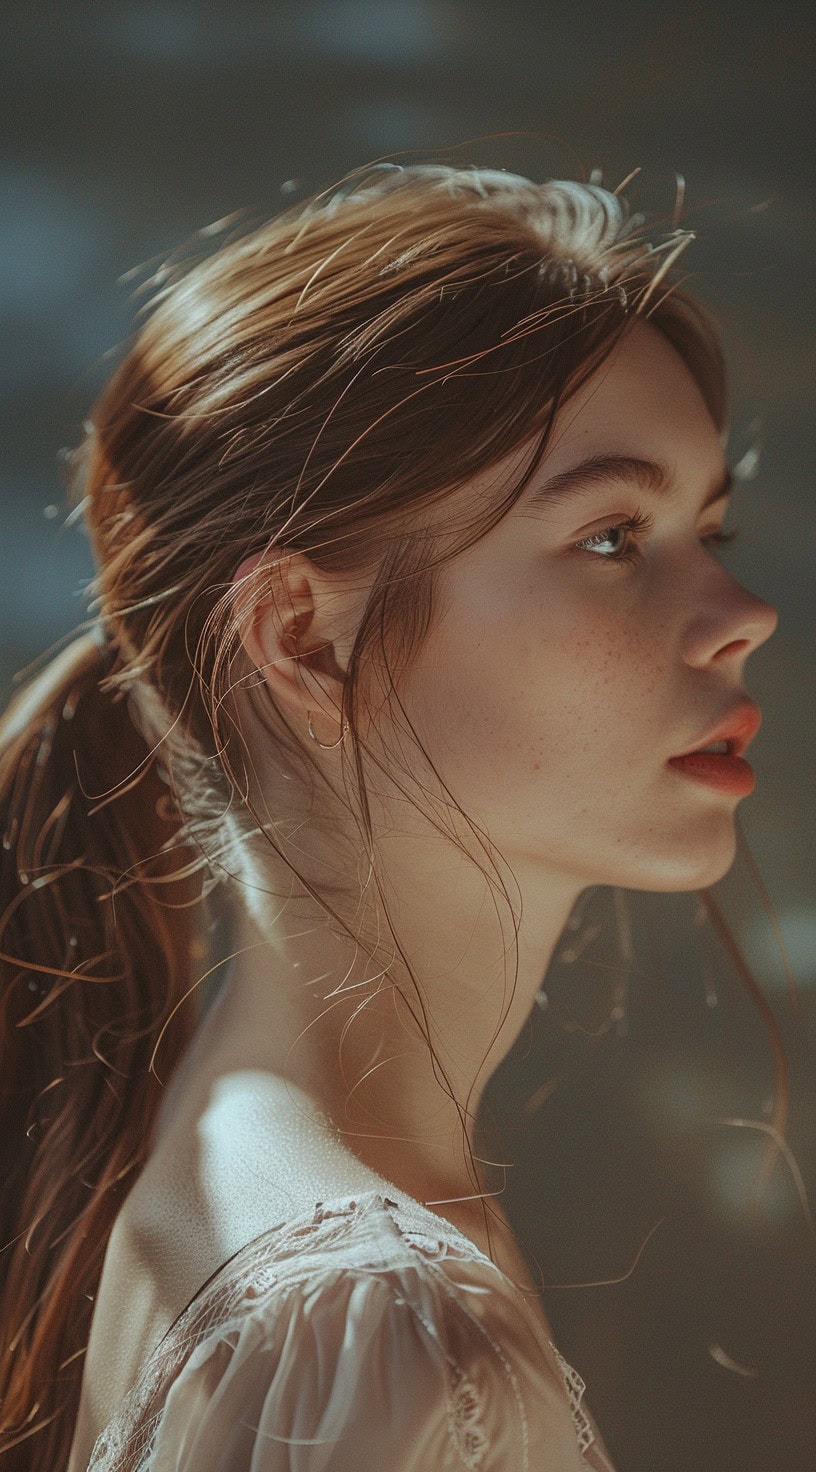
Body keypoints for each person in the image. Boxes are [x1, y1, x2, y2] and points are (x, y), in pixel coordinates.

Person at [0, 161, 778, 1471]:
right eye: (610, 537)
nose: (740, 615)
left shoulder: (222, 1153)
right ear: (304, 639)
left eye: (712, 530)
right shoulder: (397, 1331)